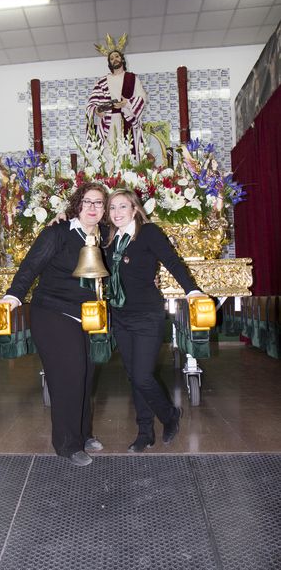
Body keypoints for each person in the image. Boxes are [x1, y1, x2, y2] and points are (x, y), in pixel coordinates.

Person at [0, 183, 109, 467]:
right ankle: (66, 444)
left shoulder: (106, 237)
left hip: (87, 317)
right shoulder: (57, 232)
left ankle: (83, 434)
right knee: (67, 378)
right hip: (52, 311)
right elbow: (30, 266)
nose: (93, 207)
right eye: (87, 202)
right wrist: (13, 296)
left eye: (99, 203)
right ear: (77, 204)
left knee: (85, 376)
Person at [105, 189, 205, 452]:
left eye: (122, 207)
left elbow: (172, 261)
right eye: (112, 208)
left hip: (147, 314)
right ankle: (145, 431)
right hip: (121, 316)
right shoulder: (109, 241)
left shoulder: (148, 233)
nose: (116, 213)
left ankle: (170, 415)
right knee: (133, 376)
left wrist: (191, 289)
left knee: (142, 375)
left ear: (135, 209)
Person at [86, 42, 147, 167]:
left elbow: (142, 97)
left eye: (117, 57)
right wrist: (97, 111)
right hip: (108, 122)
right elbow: (91, 103)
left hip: (126, 120)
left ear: (122, 59)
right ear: (109, 63)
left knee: (128, 153)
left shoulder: (132, 78)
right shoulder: (101, 81)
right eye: (112, 58)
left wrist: (127, 103)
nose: (115, 60)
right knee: (108, 154)